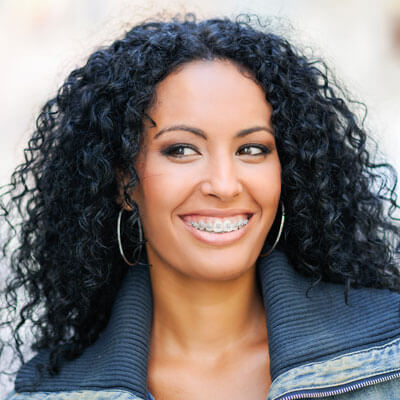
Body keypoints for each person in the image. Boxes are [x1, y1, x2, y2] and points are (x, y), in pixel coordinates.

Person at [1, 14, 400, 400]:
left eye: (252, 149)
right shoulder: (50, 393)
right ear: (124, 182)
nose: (224, 186)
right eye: (181, 150)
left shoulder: (390, 356)